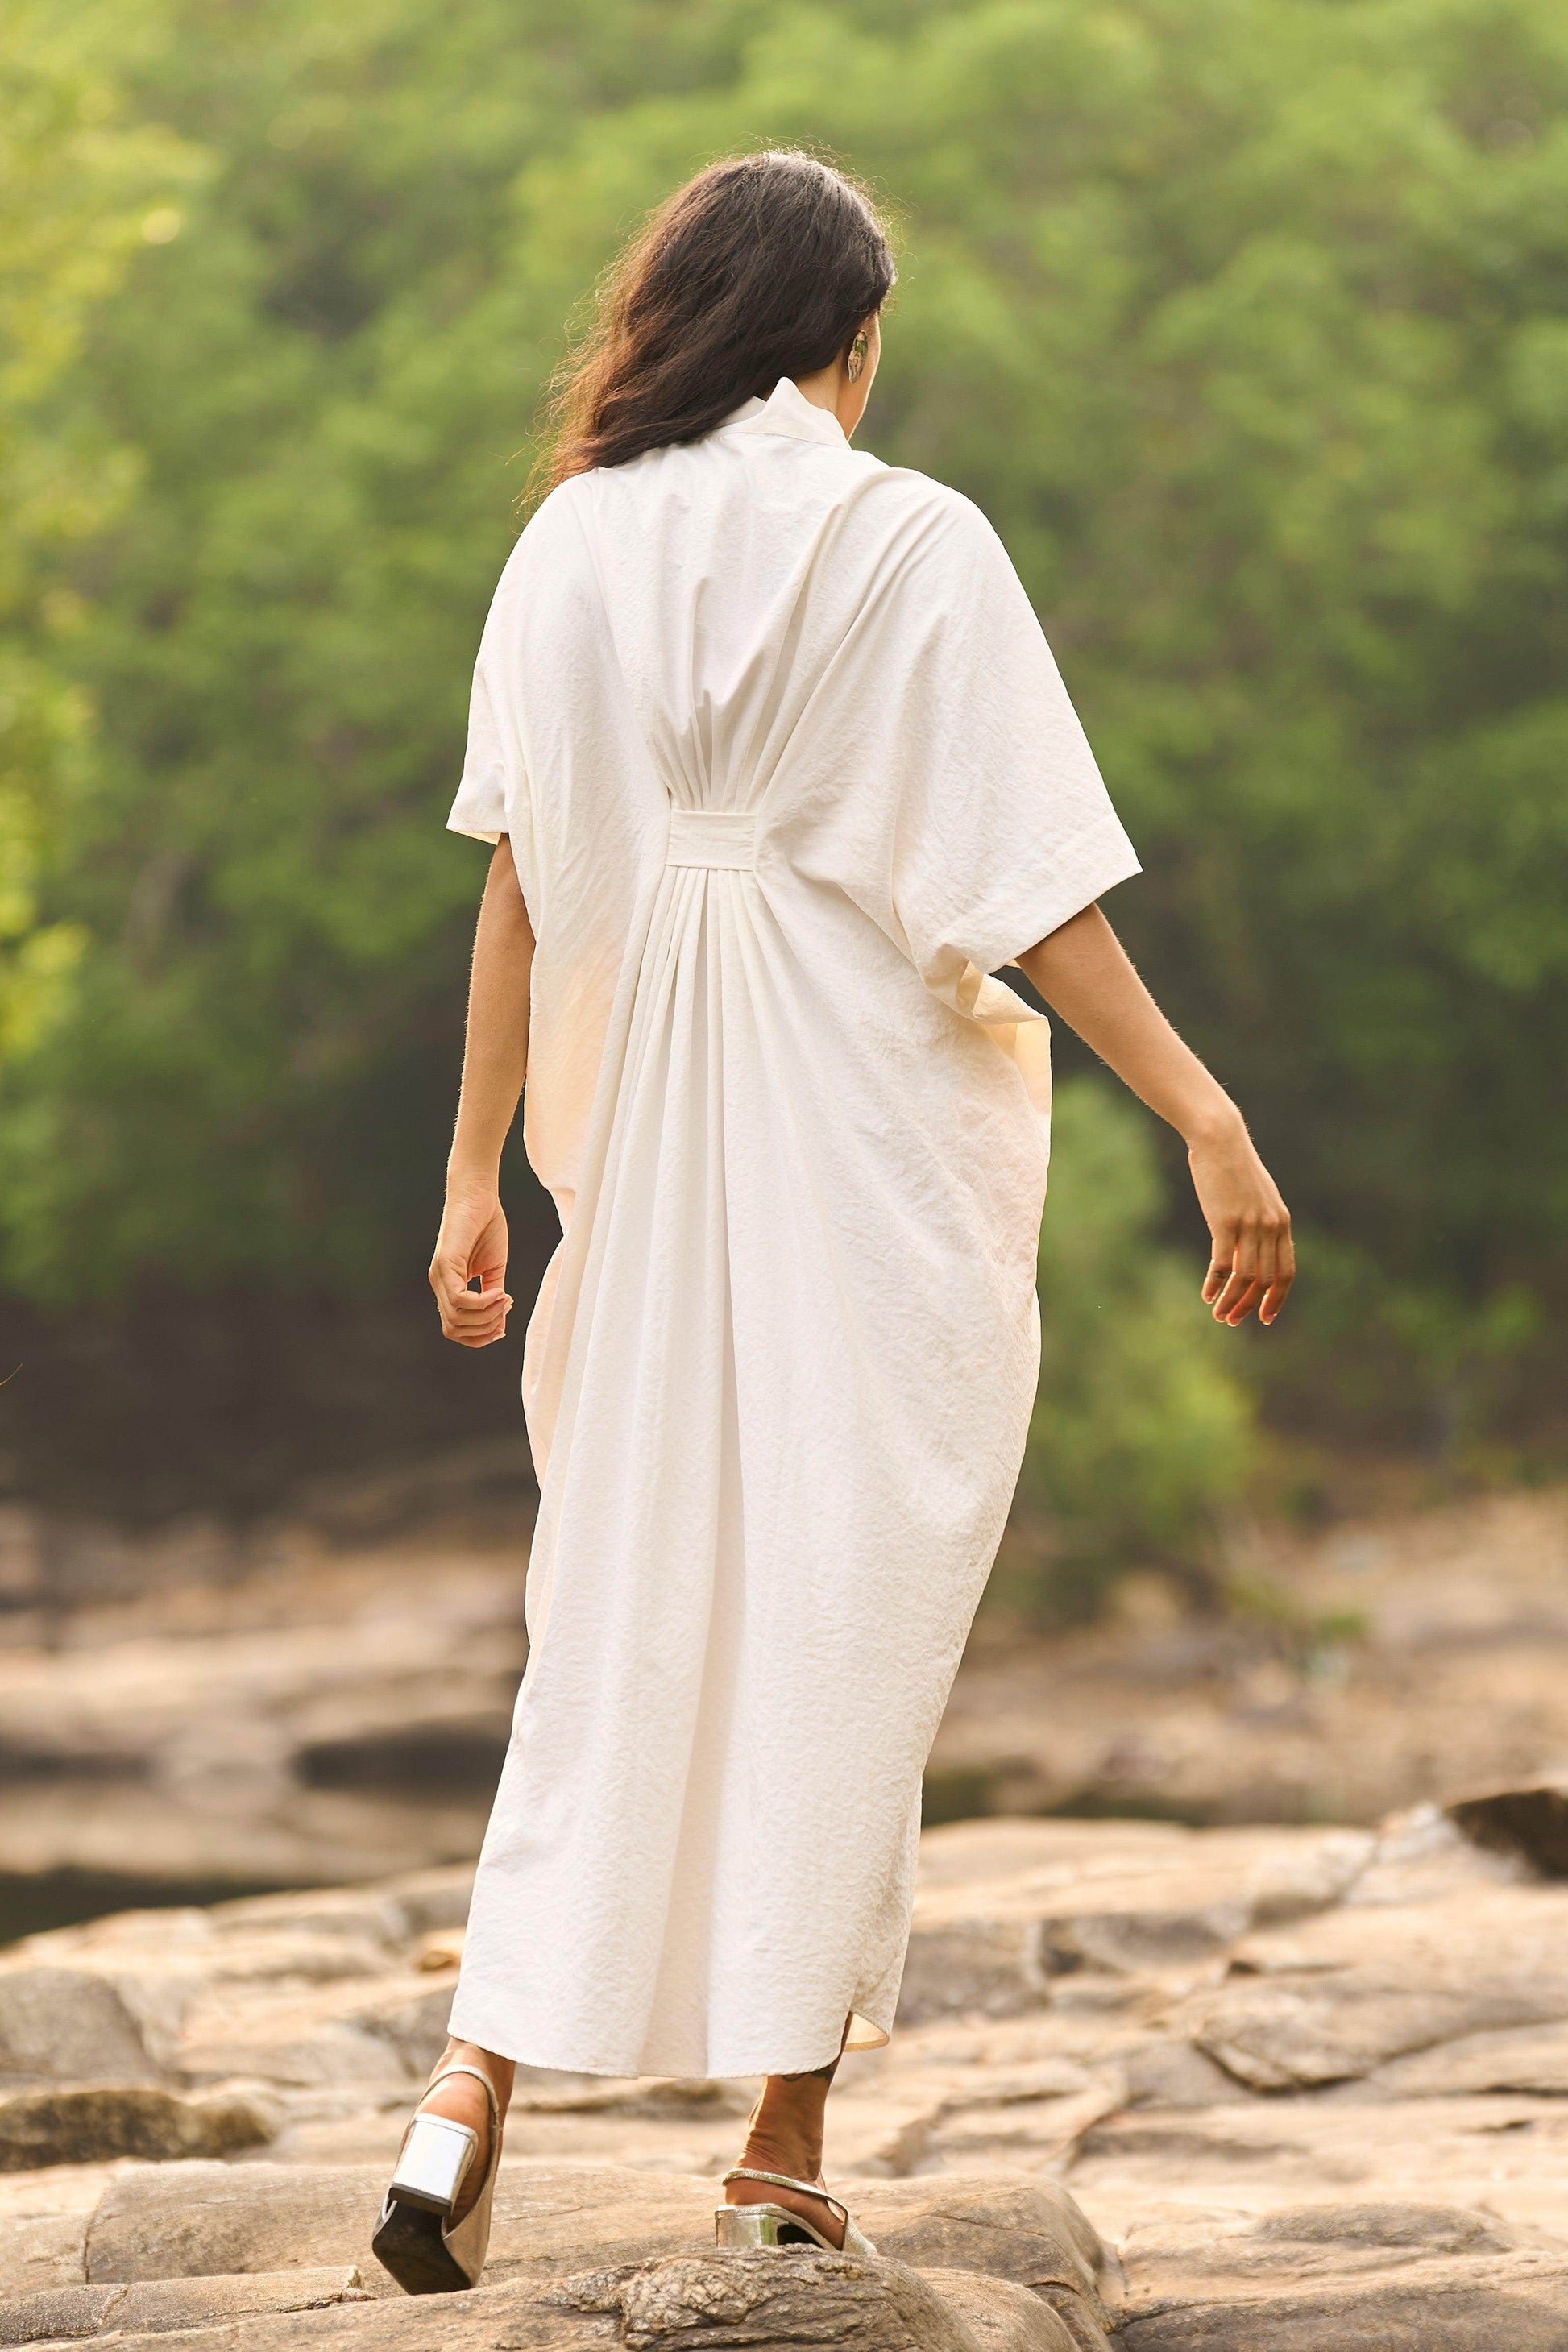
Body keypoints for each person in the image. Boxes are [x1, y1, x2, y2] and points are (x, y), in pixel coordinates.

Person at [371, 149, 1293, 2296]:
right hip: (854, 1152)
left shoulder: (571, 540)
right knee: (842, 1617)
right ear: (843, 340)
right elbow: (1027, 891)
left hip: (644, 1153)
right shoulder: (908, 540)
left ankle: (466, 2088)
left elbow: (517, 888)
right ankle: (776, 2150)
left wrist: (473, 1172)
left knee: (614, 1605)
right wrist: (1205, 1111)